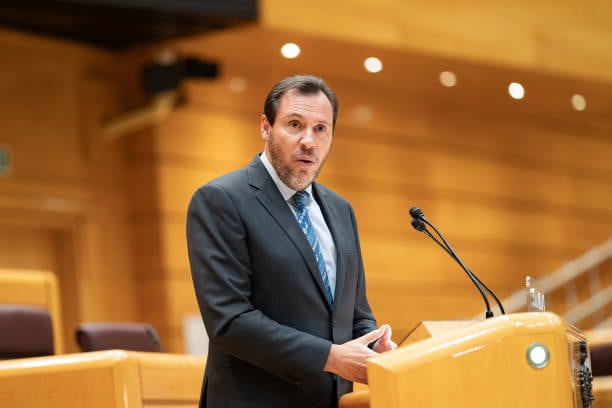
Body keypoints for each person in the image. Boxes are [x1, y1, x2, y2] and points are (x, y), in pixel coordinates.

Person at [186, 74, 396, 408]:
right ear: (266, 128)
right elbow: (229, 320)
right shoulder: (221, 200)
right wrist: (329, 357)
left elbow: (355, 312)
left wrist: (372, 346)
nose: (309, 141)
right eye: (295, 124)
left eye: (320, 129)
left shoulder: (341, 210)